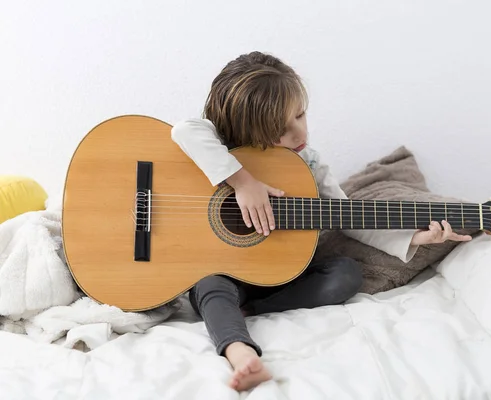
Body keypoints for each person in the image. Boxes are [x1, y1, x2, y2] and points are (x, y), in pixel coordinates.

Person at [171, 51, 472, 391]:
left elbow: (349, 217)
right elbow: (185, 129)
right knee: (210, 285)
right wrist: (242, 182)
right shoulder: (223, 146)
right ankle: (239, 351)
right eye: (280, 131)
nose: (300, 132)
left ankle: (252, 308)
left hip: (282, 276)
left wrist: (412, 240)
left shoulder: (309, 164)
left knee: (346, 274)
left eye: (300, 115)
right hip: (228, 271)